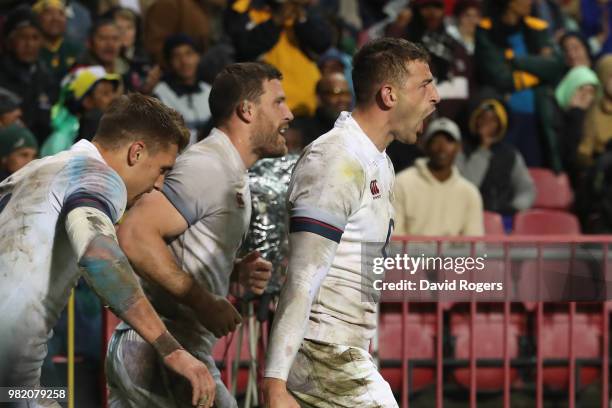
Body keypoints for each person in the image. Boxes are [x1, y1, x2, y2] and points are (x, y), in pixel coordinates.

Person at [0, 93, 217, 408]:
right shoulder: (99, 177)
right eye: (162, 169)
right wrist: (172, 349)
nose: (159, 184)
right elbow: (99, 256)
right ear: (136, 152)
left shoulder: (37, 171)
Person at [262, 37, 440, 407]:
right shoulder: (336, 158)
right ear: (389, 95)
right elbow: (302, 277)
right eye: (425, 84)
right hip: (321, 349)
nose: (435, 96)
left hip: (341, 349)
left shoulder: (379, 161)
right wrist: (274, 384)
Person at [106, 62, 290, 407]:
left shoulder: (229, 170)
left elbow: (174, 245)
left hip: (156, 350)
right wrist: (205, 302)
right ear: (246, 111)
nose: (289, 113)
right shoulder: (208, 166)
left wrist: (232, 270)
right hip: (161, 350)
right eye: (278, 102)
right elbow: (134, 234)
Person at [225, 0, 332, 116]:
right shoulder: (242, 7)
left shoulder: (304, 8)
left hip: (307, 105)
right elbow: (245, 48)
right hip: (265, 107)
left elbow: (323, 43)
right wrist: (276, 21)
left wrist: (301, 18)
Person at [395, 117, 484, 235]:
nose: (442, 148)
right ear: (425, 145)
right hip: (410, 254)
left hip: (454, 254)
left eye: (449, 141)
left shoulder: (470, 193)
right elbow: (394, 239)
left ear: (459, 148)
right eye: (435, 140)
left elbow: (474, 244)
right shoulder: (401, 183)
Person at [456, 98, 535, 217]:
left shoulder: (511, 154)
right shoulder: (462, 150)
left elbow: (527, 190)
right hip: (469, 214)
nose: (486, 124)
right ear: (475, 121)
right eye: (482, 119)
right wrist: (483, 150)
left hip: (504, 218)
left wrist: (514, 209)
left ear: (500, 125)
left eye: (493, 120)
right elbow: (466, 189)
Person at [0, 6, 57, 145]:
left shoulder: (47, 78)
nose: (29, 44)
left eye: (35, 37)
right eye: (23, 37)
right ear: (9, 41)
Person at [41, 65, 122, 156]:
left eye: (113, 92)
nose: (114, 98)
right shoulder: (60, 141)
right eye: (105, 93)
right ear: (87, 101)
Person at [153, 34, 212, 144]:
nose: (184, 61)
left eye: (189, 54)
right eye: (176, 56)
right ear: (169, 62)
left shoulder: (209, 91)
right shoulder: (160, 94)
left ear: (198, 57)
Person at [289, 71, 353, 151]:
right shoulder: (300, 129)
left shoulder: (355, 129)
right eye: (335, 93)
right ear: (319, 98)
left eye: (346, 94)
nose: (342, 99)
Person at [33, 0, 84, 84]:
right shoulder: (30, 50)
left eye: (61, 14)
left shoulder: (78, 51)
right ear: (37, 18)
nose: (55, 18)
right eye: (49, 13)